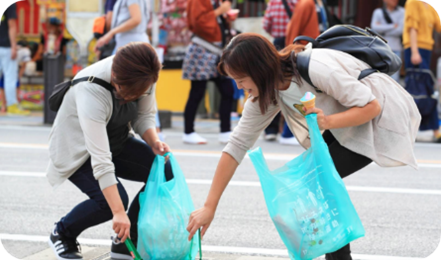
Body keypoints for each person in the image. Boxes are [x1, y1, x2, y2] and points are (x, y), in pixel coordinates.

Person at [186, 33, 420, 260]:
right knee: (317, 181)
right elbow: (236, 146)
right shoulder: (266, 92)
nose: (239, 88)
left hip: (382, 115)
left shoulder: (316, 68)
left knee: (316, 179)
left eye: (241, 80)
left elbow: (371, 106)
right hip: (343, 123)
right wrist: (209, 206)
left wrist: (328, 122)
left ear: (259, 71)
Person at [46, 42, 171, 260]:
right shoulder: (91, 89)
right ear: (115, 76)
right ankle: (62, 233)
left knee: (163, 170)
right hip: (78, 151)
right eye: (125, 95)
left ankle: (126, 242)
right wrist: (119, 213)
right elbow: (101, 160)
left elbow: (144, 115)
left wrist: (154, 142)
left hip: (115, 141)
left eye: (137, 95)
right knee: (113, 201)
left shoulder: (144, 73)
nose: (129, 99)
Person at [181, 0, 235, 145]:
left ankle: (225, 131)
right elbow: (197, 23)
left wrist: (225, 17)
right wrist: (219, 11)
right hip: (202, 48)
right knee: (197, 91)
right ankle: (188, 131)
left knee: (227, 90)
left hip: (216, 49)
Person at [403, 0, 441, 143]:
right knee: (417, 91)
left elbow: (439, 25)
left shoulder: (430, 6)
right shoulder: (413, 2)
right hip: (415, 50)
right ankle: (433, 130)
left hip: (426, 50)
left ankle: (430, 129)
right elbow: (412, 28)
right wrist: (414, 52)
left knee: (425, 91)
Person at [262, 0, 297, 142]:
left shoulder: (274, 3)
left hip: (276, 44)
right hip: (293, 44)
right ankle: (290, 130)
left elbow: (266, 25)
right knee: (293, 85)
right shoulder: (299, 3)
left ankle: (271, 129)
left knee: (273, 85)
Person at [0, 2, 30, 116]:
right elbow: (12, 25)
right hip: (5, 47)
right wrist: (13, 46)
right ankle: (12, 106)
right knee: (10, 77)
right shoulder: (11, 5)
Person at [370, 0, 405, 83]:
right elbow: (374, 28)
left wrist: (382, 29)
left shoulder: (402, 12)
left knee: (395, 78)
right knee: (380, 75)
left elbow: (400, 30)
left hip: (396, 48)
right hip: (380, 47)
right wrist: (393, 26)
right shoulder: (378, 12)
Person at [0, 40, 32, 113]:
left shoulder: (10, 47)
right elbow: (24, 65)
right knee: (15, 87)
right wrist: (19, 76)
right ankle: (14, 105)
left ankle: (3, 107)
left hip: (4, 68)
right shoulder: (26, 50)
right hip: (11, 69)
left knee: (3, 87)